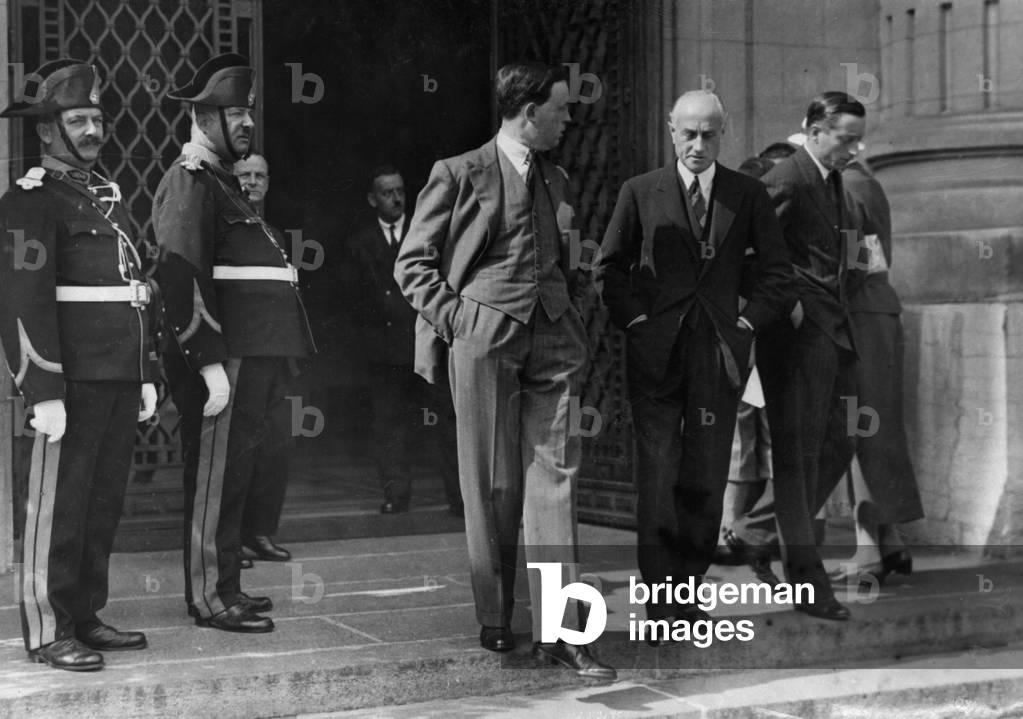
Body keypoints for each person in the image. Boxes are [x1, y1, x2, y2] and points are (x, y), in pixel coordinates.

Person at [393, 62, 614, 681]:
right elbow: (413, 264)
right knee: (491, 482)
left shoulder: (558, 178)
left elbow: (559, 255)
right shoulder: (458, 172)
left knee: (556, 479)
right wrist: (459, 320)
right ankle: (495, 614)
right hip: (485, 337)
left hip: (554, 339)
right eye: (561, 110)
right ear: (528, 112)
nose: (569, 120)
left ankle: (561, 630)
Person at [597, 91, 791, 628]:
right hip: (656, 355)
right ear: (670, 130)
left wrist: (748, 323)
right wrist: (638, 323)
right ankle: (659, 595)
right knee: (659, 474)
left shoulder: (746, 194)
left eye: (709, 133)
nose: (698, 144)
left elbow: (777, 273)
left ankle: (689, 587)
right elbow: (609, 270)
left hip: (719, 356)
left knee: (705, 474)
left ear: (723, 134)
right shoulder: (640, 191)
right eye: (689, 133)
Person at [0, 59, 158, 670]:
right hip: (67, 381)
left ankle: (84, 615)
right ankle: (47, 629)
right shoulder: (30, 200)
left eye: (97, 118)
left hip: (116, 375)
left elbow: (128, 288)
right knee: (57, 506)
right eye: (78, 120)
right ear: (47, 131)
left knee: (100, 501)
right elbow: (22, 298)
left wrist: (142, 370)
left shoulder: (103, 198)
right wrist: (41, 388)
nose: (93, 130)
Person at [153, 54, 315, 633]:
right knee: (216, 477)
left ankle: (227, 586)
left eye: (248, 112)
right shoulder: (189, 181)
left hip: (255, 359)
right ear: (203, 117)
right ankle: (209, 597)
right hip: (229, 360)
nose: (247, 123)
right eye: (235, 113)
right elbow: (180, 275)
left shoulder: (223, 184)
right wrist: (208, 362)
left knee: (236, 476)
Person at [724, 92, 868, 621]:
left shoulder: (829, 179)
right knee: (797, 462)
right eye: (845, 138)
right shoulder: (784, 178)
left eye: (856, 139)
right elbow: (742, 251)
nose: (853, 149)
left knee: (843, 440)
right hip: (799, 338)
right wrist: (787, 307)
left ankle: (754, 531)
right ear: (813, 128)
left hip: (833, 332)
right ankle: (810, 588)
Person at [826, 158, 922, 584]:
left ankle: (870, 551)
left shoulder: (844, 186)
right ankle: (890, 543)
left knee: (860, 429)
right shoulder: (866, 181)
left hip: (857, 318)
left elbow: (849, 263)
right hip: (874, 313)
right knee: (874, 428)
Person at [349, 165, 462, 516]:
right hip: (385, 348)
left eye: (400, 191)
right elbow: (352, 299)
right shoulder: (359, 243)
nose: (396, 198)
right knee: (389, 422)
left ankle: (460, 498)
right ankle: (396, 494)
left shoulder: (426, 234)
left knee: (446, 420)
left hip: (427, 342)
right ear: (372, 199)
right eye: (387, 192)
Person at [229, 152, 302, 563]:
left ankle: (259, 531)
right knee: (239, 451)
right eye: (244, 175)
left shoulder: (272, 233)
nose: (252, 182)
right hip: (243, 357)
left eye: (259, 175)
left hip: (278, 358)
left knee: (276, 446)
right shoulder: (222, 231)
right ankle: (229, 538)